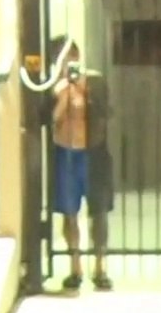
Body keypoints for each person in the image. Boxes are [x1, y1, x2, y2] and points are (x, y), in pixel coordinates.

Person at [47, 36, 114, 291]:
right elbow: (49, 119)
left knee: (98, 212)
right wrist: (63, 95)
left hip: (93, 152)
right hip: (66, 153)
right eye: (64, 59)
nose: (70, 63)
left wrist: (86, 93)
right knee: (69, 212)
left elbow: (107, 113)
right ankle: (75, 266)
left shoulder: (94, 82)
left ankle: (101, 267)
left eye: (73, 57)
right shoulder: (53, 86)